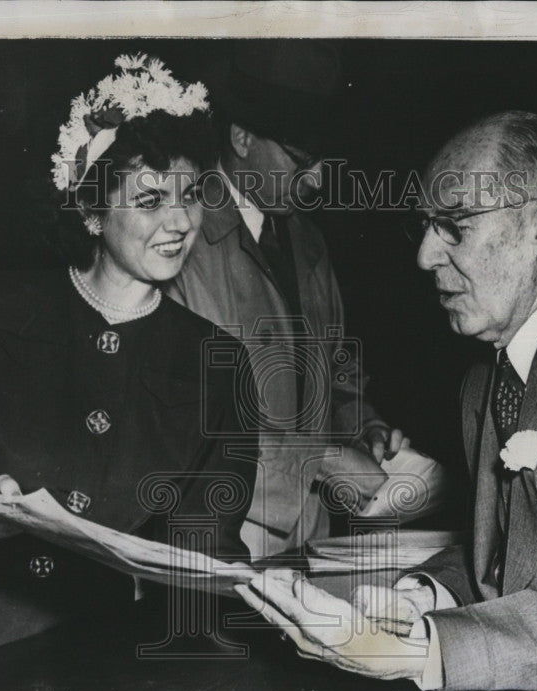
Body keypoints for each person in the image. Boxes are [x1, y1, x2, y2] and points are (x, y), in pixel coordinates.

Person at [235, 111, 537, 691]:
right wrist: (415, 598)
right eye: (426, 228)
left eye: (454, 227)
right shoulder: (488, 375)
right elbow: (511, 557)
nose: (426, 256)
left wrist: (415, 648)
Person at [0, 55, 255, 665]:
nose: (180, 222)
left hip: (123, 653)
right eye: (149, 199)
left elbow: (208, 548)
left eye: (191, 195)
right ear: (90, 210)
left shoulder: (219, 362)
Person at [166, 40, 407, 558]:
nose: (317, 181)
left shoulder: (308, 240)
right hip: (216, 534)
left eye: (320, 162)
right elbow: (180, 421)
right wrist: (318, 459)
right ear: (242, 136)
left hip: (309, 536)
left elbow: (336, 366)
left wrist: (362, 425)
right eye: (301, 161)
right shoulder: (176, 240)